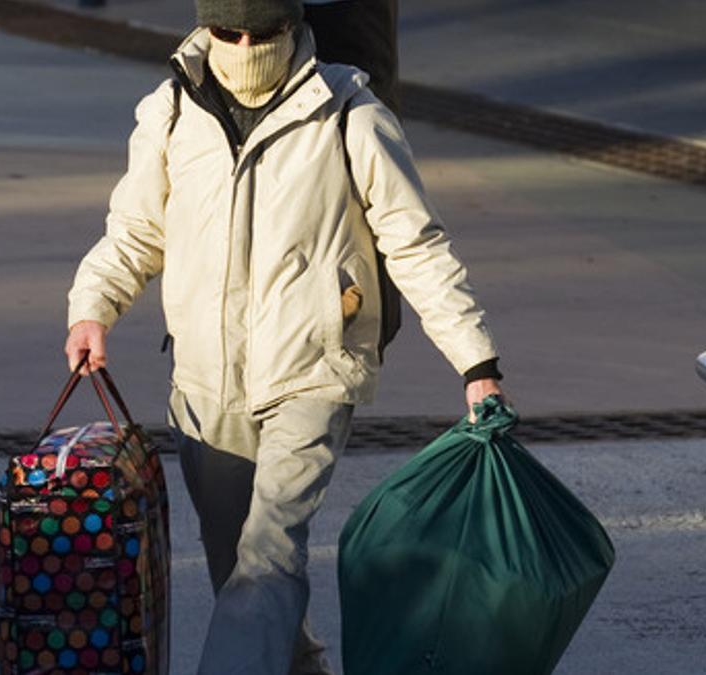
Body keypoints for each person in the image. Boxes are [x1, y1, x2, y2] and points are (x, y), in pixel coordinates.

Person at [64, 0, 505, 670]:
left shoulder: (348, 110)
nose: (245, 48)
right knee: (238, 567)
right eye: (227, 33)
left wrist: (476, 359)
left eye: (262, 33)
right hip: (206, 381)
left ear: (292, 25)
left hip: (314, 370)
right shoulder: (171, 112)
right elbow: (135, 232)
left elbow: (415, 245)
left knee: (269, 553)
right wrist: (92, 306)